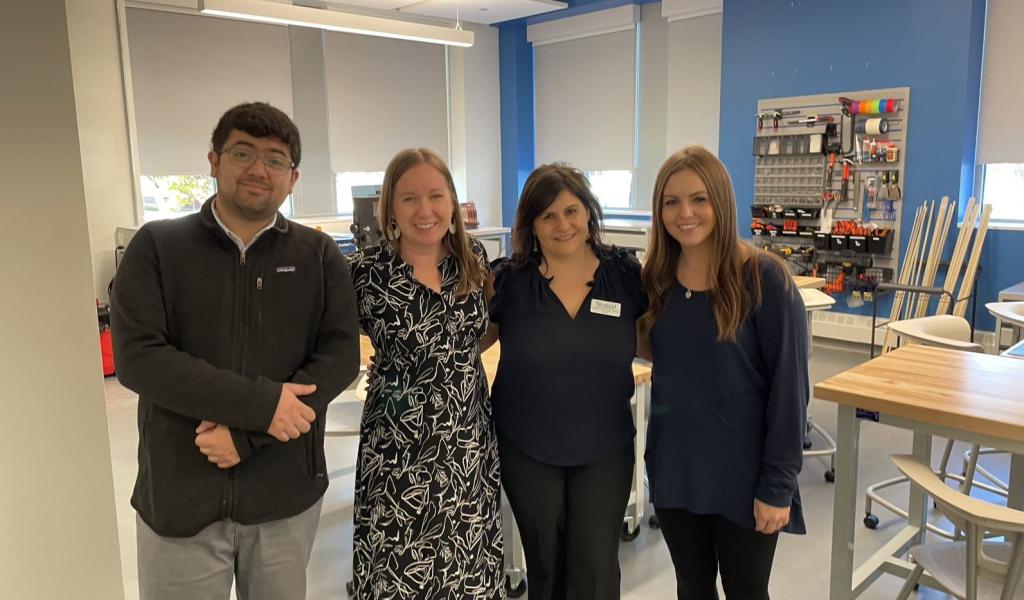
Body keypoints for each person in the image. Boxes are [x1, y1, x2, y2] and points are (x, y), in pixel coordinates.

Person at [110, 102, 361, 599]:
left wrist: (250, 437)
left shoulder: (318, 255)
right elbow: (140, 358)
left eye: (274, 159)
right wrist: (262, 407)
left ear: (292, 178)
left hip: (284, 494)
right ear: (213, 160)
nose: (257, 169)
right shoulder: (158, 246)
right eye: (243, 152)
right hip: (181, 496)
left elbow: (338, 357)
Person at [639, 146, 807, 600]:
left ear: (721, 202)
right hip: (676, 471)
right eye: (671, 202)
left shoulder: (764, 280)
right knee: (692, 588)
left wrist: (778, 486)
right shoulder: (656, 280)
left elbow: (790, 392)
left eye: (698, 199)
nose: (685, 213)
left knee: (745, 591)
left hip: (744, 474)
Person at [346, 148, 504, 599]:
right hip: (398, 452)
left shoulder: (473, 259)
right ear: (389, 208)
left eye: (436, 195)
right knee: (398, 572)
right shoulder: (363, 274)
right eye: (409, 198)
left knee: (467, 568)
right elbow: (327, 348)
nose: (425, 209)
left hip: (467, 442)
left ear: (452, 203)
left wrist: (444, 358)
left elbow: (485, 329)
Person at [485, 164, 646, 600]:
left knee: (594, 568)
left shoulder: (626, 276)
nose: (563, 225)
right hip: (527, 447)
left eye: (572, 211)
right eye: (548, 216)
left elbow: (660, 341)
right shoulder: (507, 283)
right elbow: (460, 344)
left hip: (604, 448)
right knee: (545, 565)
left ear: (589, 214)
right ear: (531, 225)